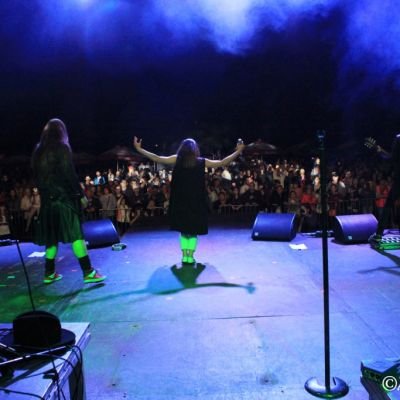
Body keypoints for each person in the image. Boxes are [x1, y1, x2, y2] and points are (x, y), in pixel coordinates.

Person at [133, 136, 245, 264]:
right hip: (196, 202)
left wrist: (139, 149)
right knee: (193, 231)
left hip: (180, 201)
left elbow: (157, 158)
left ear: (182, 149)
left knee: (183, 230)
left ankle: (184, 256)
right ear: (195, 149)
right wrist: (238, 151)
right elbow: (222, 162)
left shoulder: (176, 159)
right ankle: (190, 256)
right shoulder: (201, 162)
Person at [31, 118, 106, 284]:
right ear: (61, 132)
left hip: (48, 202)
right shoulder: (62, 148)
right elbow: (69, 175)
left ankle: (49, 273)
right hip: (64, 200)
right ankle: (88, 272)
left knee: (51, 238)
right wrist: (81, 196)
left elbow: (36, 177)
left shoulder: (38, 151)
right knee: (76, 235)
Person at [369, 134, 400, 242]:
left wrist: (379, 151)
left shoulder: (398, 139)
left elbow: (390, 158)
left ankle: (378, 234)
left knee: (388, 206)